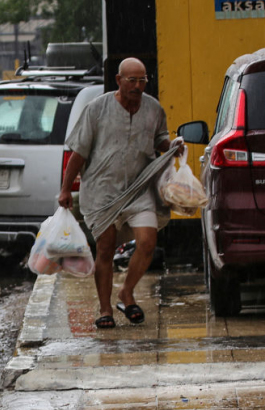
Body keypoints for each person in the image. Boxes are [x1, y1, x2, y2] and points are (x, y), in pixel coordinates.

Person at [58, 57, 184, 329]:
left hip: (139, 188)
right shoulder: (97, 109)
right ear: (118, 80)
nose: (137, 86)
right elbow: (78, 152)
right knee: (105, 248)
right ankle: (105, 309)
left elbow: (159, 139)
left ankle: (126, 292)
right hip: (102, 191)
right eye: (132, 80)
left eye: (142, 80)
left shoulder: (153, 109)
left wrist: (172, 144)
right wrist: (66, 188)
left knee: (148, 241)